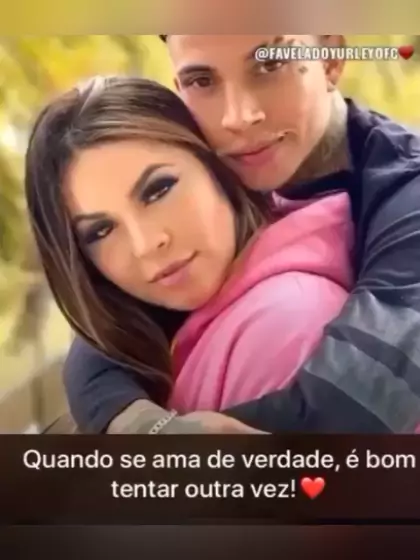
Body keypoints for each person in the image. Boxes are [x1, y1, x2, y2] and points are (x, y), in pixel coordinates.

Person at [63, 35, 420, 434]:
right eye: (202, 80)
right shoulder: (211, 165)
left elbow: (358, 398)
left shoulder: (408, 197)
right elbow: (104, 325)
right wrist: (133, 420)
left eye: (270, 65)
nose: (238, 116)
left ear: (331, 58)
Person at [25, 76, 353, 433]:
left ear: (217, 166)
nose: (146, 244)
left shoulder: (285, 327)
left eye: (158, 190)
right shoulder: (159, 326)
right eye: (101, 231)